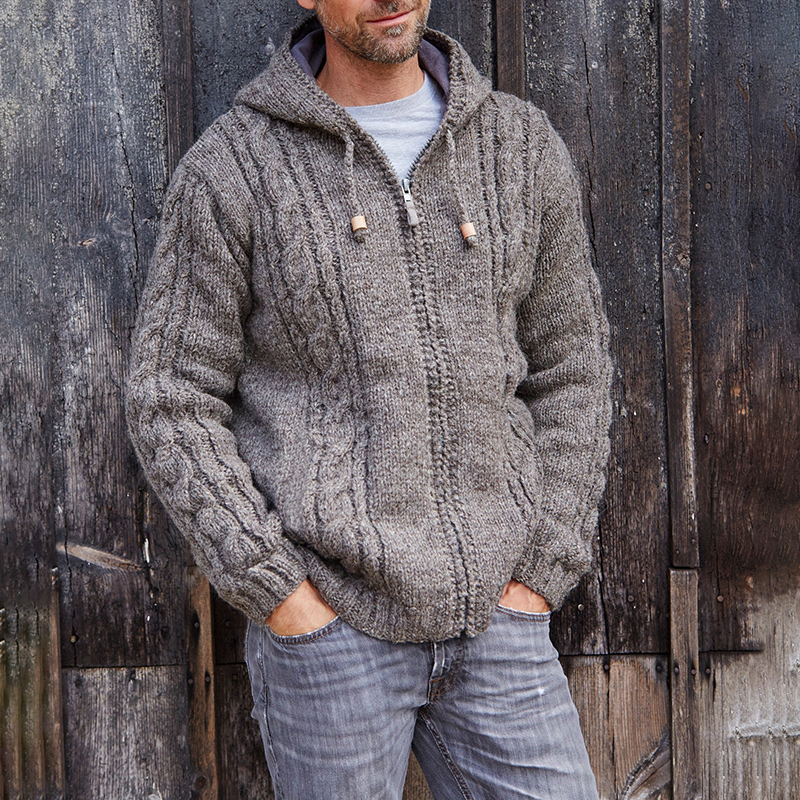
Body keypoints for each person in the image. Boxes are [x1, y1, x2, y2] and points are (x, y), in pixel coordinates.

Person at [126, 0, 612, 797]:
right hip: (330, 632)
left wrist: (539, 570)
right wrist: (279, 591)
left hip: (500, 621)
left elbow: (574, 366)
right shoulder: (233, 168)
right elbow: (171, 396)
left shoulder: (521, 147)